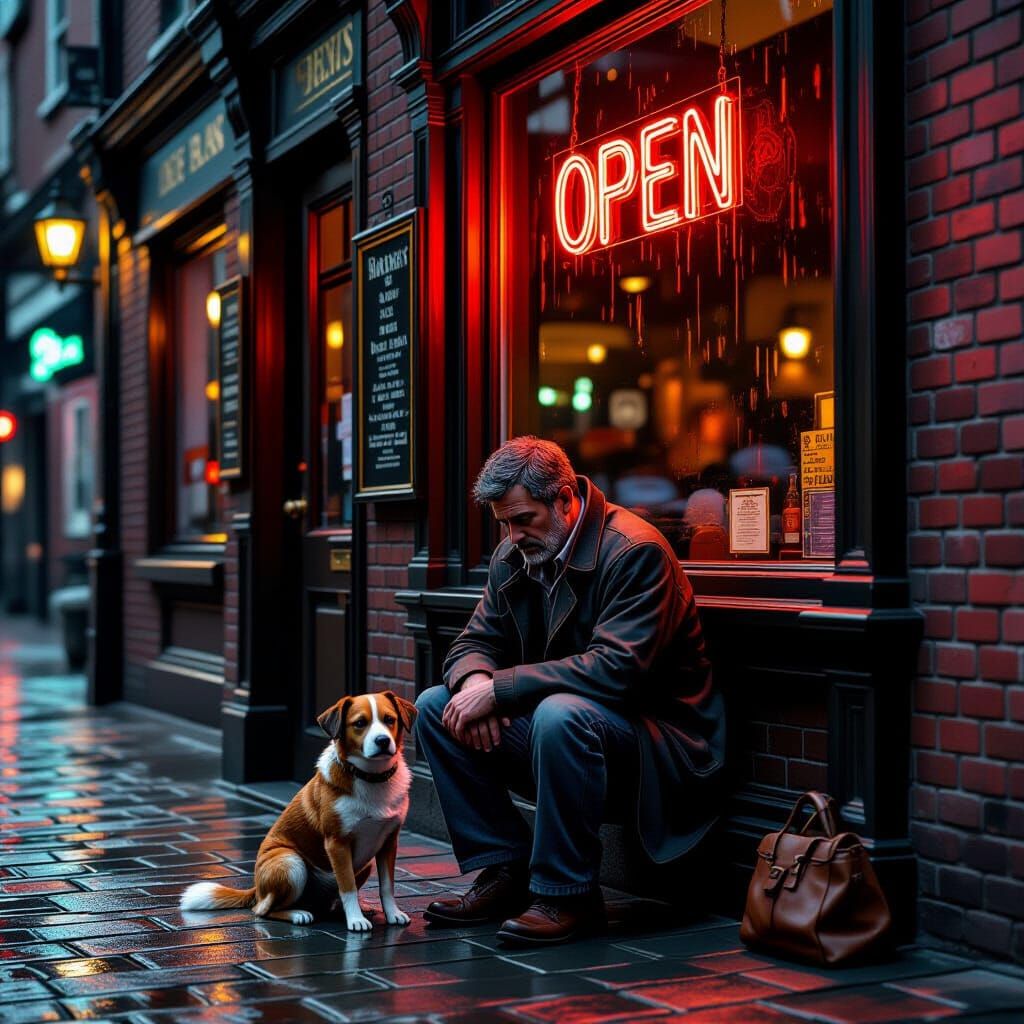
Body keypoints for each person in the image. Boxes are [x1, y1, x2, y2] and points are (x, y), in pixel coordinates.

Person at [414, 437, 725, 945]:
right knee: (436, 707)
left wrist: (501, 689)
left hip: (660, 745)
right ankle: (506, 873)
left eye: (523, 520)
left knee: (562, 714)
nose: (513, 536)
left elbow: (618, 670)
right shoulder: (514, 553)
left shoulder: (634, 550)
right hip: (569, 731)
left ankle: (568, 894)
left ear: (563, 499)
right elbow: (473, 641)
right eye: (503, 524)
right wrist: (475, 683)